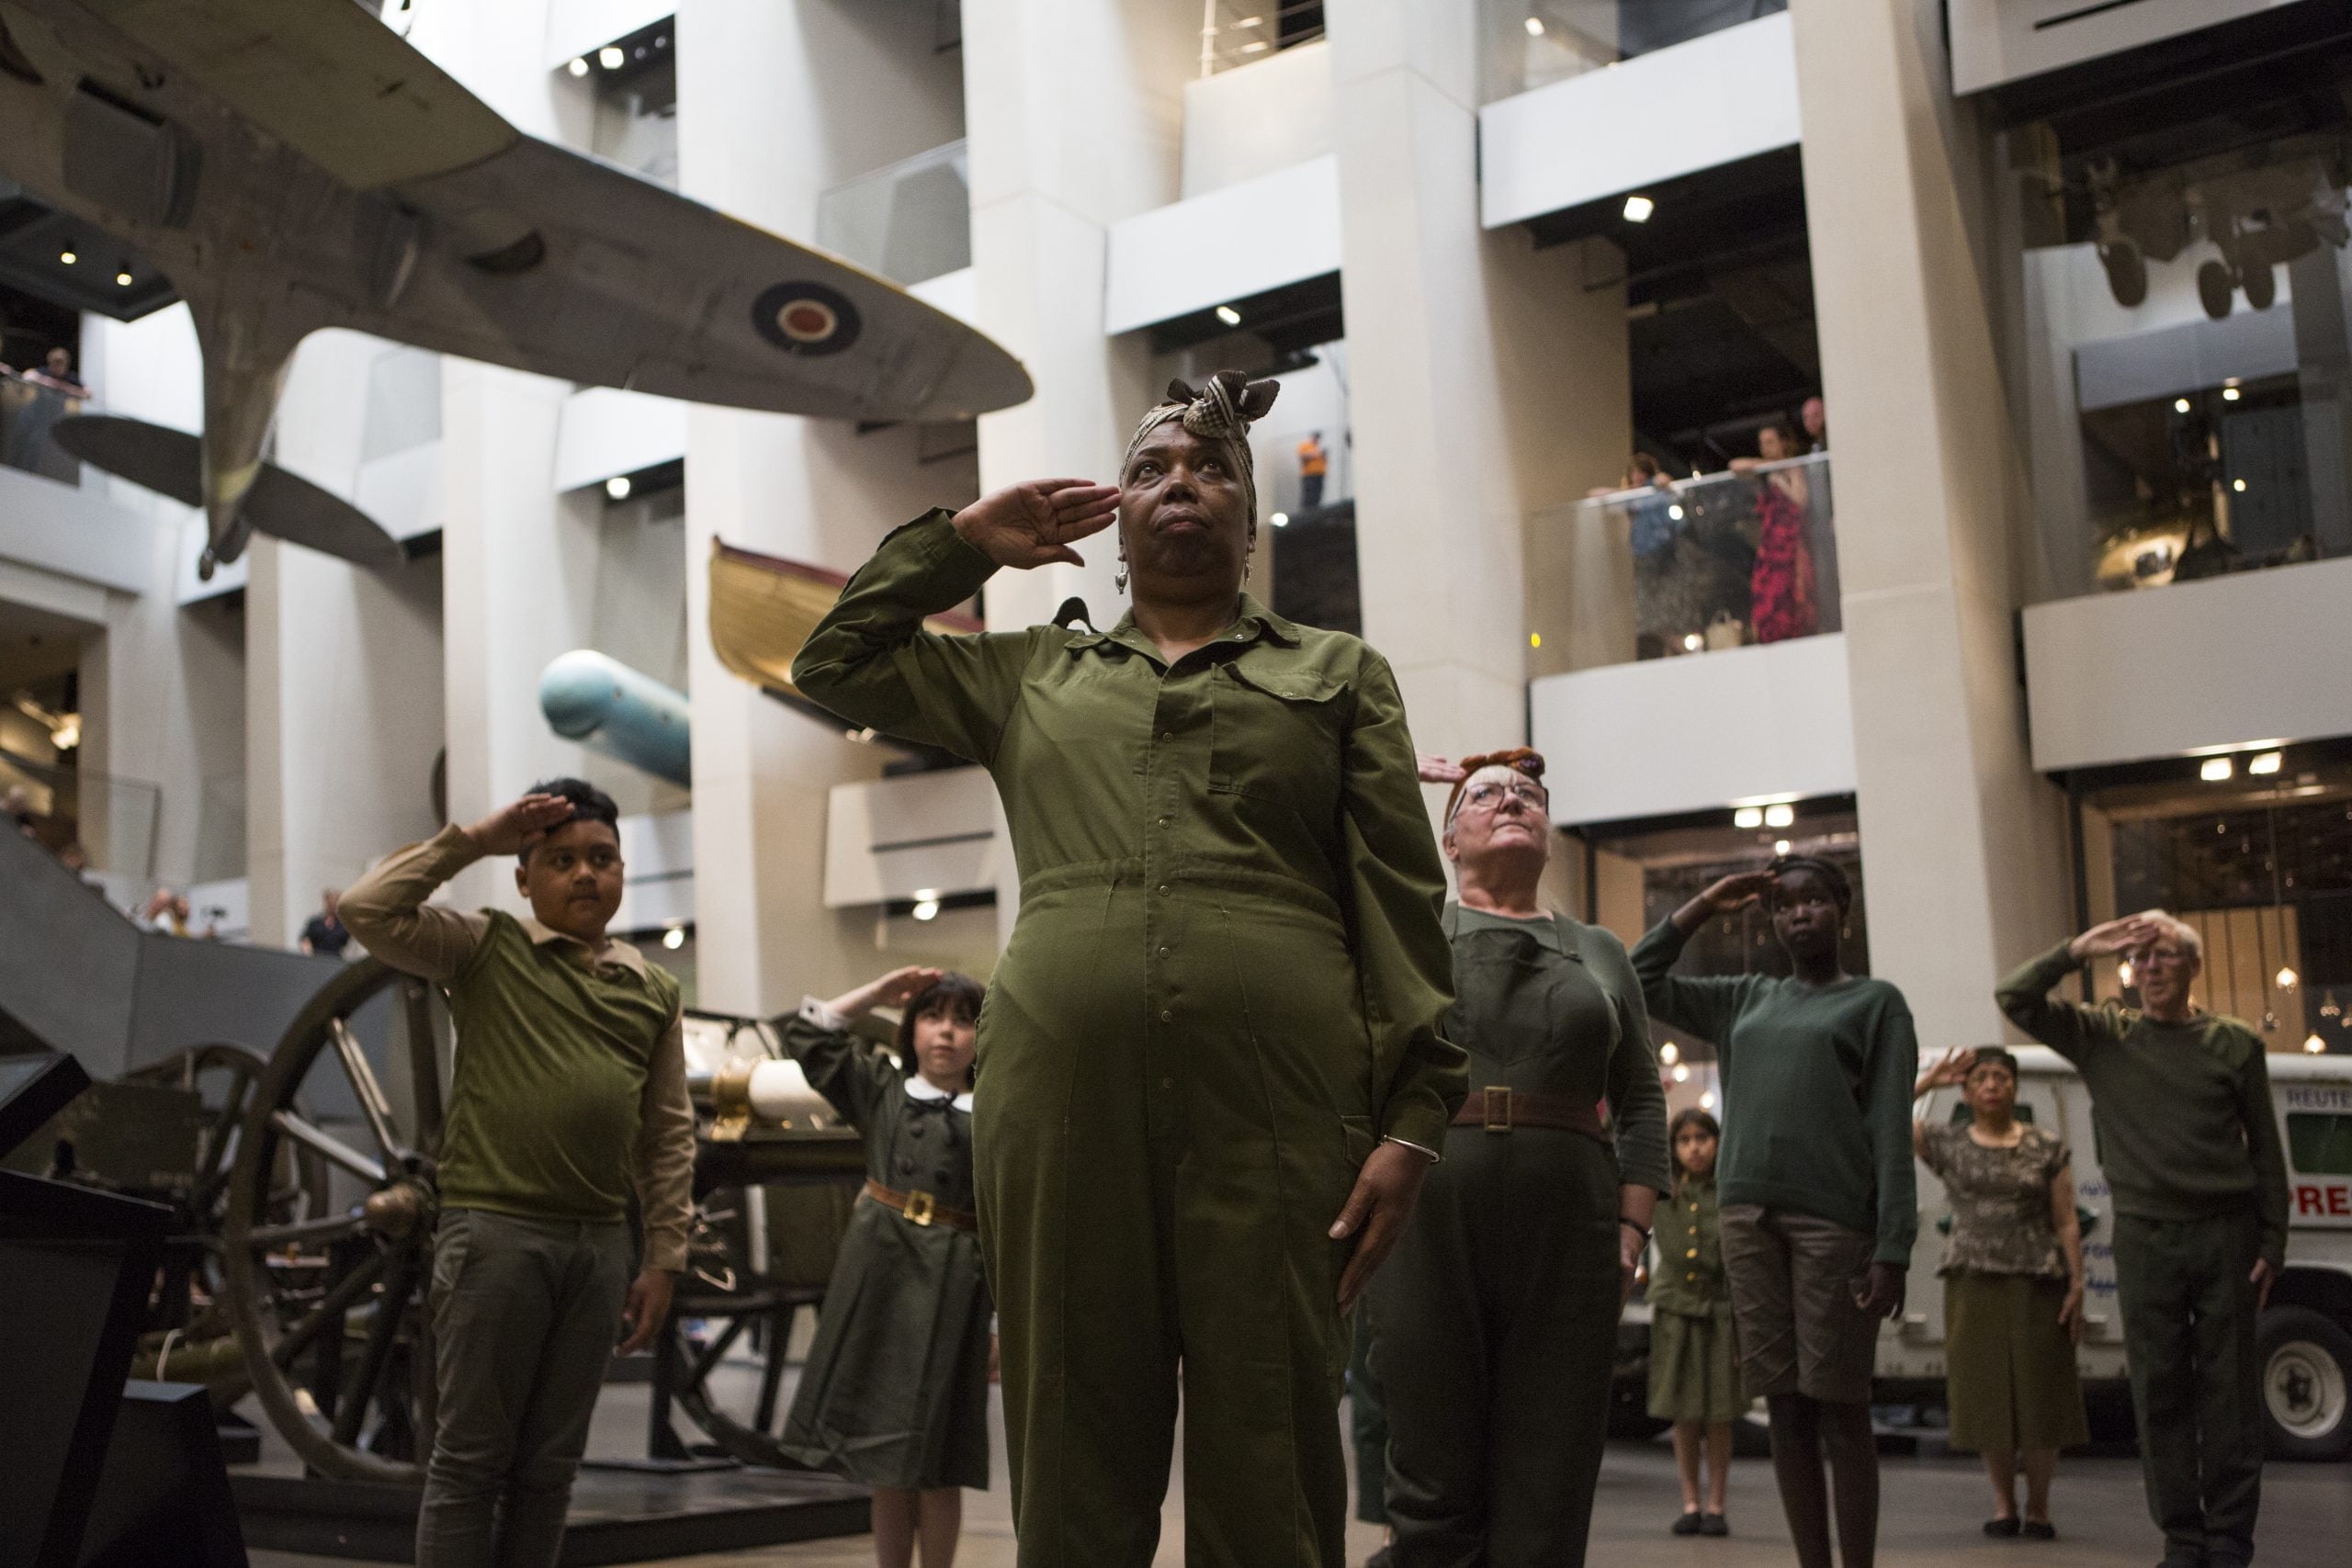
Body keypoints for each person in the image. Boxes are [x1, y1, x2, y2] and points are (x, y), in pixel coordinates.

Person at [790, 369, 1464, 1567]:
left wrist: (1412, 1123)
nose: (1182, 486)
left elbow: (1401, 906)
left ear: (1251, 527)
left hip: (1282, 1110)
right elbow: (832, 663)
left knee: (1274, 1442)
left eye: (1211, 470)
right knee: (1072, 1427)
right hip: (1060, 1113)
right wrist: (961, 545)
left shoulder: (1339, 676)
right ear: (1112, 522)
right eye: (1152, 468)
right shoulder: (1027, 676)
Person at [338, 779, 695, 1568]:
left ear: (624, 871)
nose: (584, 875)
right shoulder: (485, 946)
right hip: (493, 1237)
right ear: (524, 878)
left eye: (602, 858)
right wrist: (473, 838)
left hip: (598, 1248)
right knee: (467, 1467)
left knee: (548, 1474)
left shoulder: (652, 989)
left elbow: (667, 1134)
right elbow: (366, 909)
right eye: (560, 860)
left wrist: (664, 1255)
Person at [1367, 747, 1668, 1567]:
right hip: (1424, 1215)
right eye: (1485, 793)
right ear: (1448, 837)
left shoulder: (1601, 950)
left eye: (1528, 794)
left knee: (1552, 1470)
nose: (1511, 801)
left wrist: (1632, 1234)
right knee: (1431, 1469)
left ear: (1548, 829)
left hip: (1572, 1227)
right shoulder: (1406, 929)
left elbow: (1641, 1099)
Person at [1631, 856, 1917, 1568]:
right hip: (1746, 1219)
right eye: (1785, 905)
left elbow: (1889, 1126)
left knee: (1841, 1405)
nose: (1799, 914)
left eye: (1815, 901)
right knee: (1784, 1407)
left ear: (1842, 913)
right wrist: (1704, 903)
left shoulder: (1877, 1003)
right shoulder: (1743, 997)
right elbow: (1635, 979)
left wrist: (1894, 1244)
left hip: (1834, 1221)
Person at [1996, 913, 2290, 1568]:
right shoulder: (2104, 1035)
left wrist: (2275, 1238)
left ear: (2192, 967)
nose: (2151, 968)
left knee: (2231, 1391)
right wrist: (2076, 949)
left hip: (2226, 1233)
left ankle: (2230, 1538)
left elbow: (2266, 1149)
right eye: (2140, 959)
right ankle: (2182, 1537)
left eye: (2164, 956)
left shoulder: (2235, 1043)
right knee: (2158, 1390)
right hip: (2146, 1234)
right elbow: (2013, 996)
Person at [779, 965, 992, 1568]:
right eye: (931, 1016)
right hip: (880, 1274)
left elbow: (1010, 1224)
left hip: (957, 1282)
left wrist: (1000, 1323)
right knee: (884, 1458)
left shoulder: (999, 1111)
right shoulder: (882, 1088)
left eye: (962, 1020)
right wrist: (875, 993)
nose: (946, 1033)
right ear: (911, 1028)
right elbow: (809, 1035)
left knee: (936, 1457)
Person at [1911, 1046, 2088, 1540]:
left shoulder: (2045, 1146)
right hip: (1974, 1282)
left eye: (2001, 1077)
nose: (1992, 1084)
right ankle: (2003, 1502)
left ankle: (2039, 1506)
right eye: (1982, 1078)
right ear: (1966, 1092)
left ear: (2014, 1088)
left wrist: (2078, 1282)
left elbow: (2067, 1219)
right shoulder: (1947, 1141)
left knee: (2040, 1398)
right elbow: (1884, 1121)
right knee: (1987, 1397)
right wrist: (1928, 1081)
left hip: (2037, 1280)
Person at [1651, 1106, 1740, 1539]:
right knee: (1683, 1413)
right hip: (1675, 1310)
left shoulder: (1729, 1192)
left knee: (1718, 1413)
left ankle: (1717, 1503)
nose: (1694, 1148)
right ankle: (1690, 1501)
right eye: (1684, 1140)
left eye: (1702, 1138)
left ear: (1718, 1143)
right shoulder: (1665, 1190)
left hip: (1721, 1309)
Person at [1732, 421, 1816, 644]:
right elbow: (1735, 466)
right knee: (1767, 595)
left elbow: (1800, 500)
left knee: (1792, 594)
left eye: (1771, 442)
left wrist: (1780, 478)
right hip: (1770, 545)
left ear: (1783, 443)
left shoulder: (1793, 468)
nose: (1766, 447)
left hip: (1790, 543)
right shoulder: (1765, 470)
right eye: (1762, 443)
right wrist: (1768, 467)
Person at [300, 888, 350, 956]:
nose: (333, 905)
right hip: (316, 958)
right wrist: (307, 953)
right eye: (330, 902)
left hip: (336, 959)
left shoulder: (343, 925)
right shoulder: (315, 923)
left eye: (335, 901)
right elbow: (305, 940)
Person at [1297, 429, 1328, 510]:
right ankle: (1307, 510)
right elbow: (1303, 456)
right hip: (1309, 474)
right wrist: (1316, 454)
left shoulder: (1318, 447)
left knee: (1317, 493)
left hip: (1319, 474)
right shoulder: (1305, 446)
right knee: (1309, 493)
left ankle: (1316, 508)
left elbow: (1324, 460)